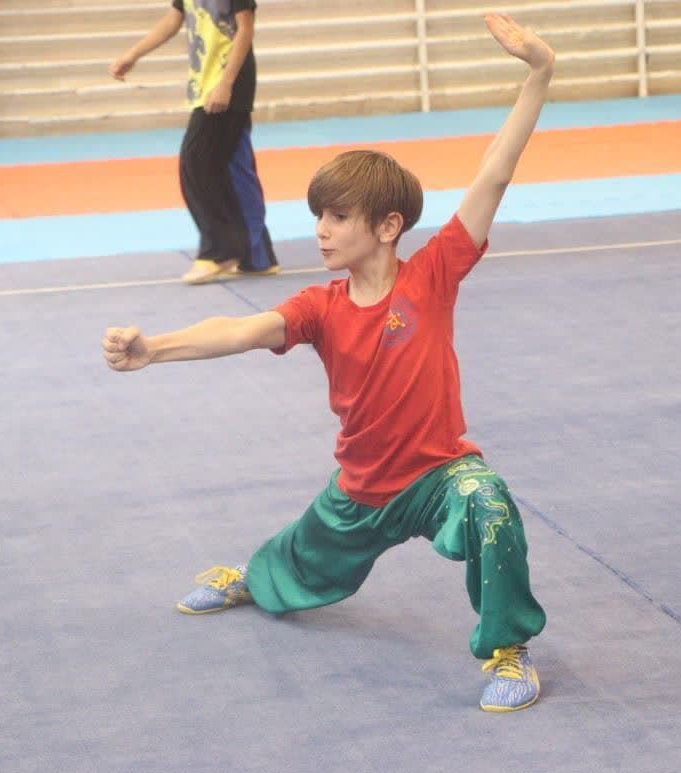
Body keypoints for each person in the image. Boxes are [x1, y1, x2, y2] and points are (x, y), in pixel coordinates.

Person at [103, 14, 554, 712]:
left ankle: (509, 647)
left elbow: (494, 174)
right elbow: (240, 329)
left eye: (338, 217)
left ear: (388, 226)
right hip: (362, 487)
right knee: (290, 565)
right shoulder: (319, 306)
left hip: (437, 477)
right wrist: (153, 348)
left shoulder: (432, 276)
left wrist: (539, 75)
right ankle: (251, 577)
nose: (320, 230)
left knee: (489, 503)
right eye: (319, 216)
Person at [110, 0, 279, 284]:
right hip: (204, 85)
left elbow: (245, 29)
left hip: (227, 84)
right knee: (235, 169)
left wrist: (226, 83)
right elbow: (174, 18)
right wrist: (133, 55)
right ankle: (256, 256)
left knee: (196, 165)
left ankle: (220, 252)